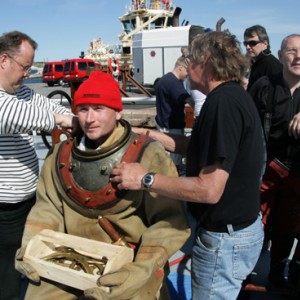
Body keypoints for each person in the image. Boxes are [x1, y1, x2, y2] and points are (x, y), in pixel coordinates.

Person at [110, 31, 265, 299]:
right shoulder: (233, 96)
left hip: (224, 241)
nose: (186, 63)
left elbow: (209, 189)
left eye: (189, 57)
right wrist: (147, 135)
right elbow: (198, 148)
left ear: (204, 60)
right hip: (238, 232)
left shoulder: (222, 104)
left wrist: (145, 178)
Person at [15, 71, 190, 300]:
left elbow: (169, 222)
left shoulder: (147, 155)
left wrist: (141, 268)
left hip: (130, 262)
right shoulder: (60, 156)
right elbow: (47, 209)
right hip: (71, 259)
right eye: (84, 109)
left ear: (118, 112)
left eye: (99, 109)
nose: (89, 119)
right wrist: (32, 247)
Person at [0, 30, 75, 300]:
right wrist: (62, 121)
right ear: (3, 60)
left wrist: (83, 119)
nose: (27, 74)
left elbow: (54, 108)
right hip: (4, 211)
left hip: (31, 202)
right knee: (5, 280)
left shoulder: (23, 92)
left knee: (33, 266)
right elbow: (15, 115)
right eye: (25, 67)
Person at [249, 33, 300, 289]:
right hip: (265, 169)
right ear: (280, 55)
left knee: (287, 228)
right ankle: (245, 276)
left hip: (297, 174)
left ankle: (279, 274)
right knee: (256, 226)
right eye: (292, 51)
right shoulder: (263, 86)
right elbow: (245, 124)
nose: (298, 56)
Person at [155, 56, 194, 173]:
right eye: (188, 70)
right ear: (180, 68)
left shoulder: (166, 79)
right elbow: (191, 101)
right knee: (173, 164)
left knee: (168, 162)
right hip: (171, 129)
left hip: (165, 125)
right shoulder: (173, 83)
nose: (188, 74)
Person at [244, 25, 282, 91]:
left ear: (265, 44)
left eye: (252, 43)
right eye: (245, 43)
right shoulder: (256, 63)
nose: (248, 47)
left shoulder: (272, 64)